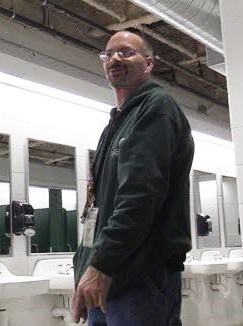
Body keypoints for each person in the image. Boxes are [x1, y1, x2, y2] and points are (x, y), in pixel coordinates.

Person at [72, 30, 194, 326]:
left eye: (126, 52)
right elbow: (97, 209)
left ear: (149, 64)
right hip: (107, 275)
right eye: (109, 54)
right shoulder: (116, 123)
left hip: (140, 277)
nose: (115, 58)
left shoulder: (156, 108)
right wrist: (84, 269)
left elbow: (140, 196)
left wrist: (100, 265)